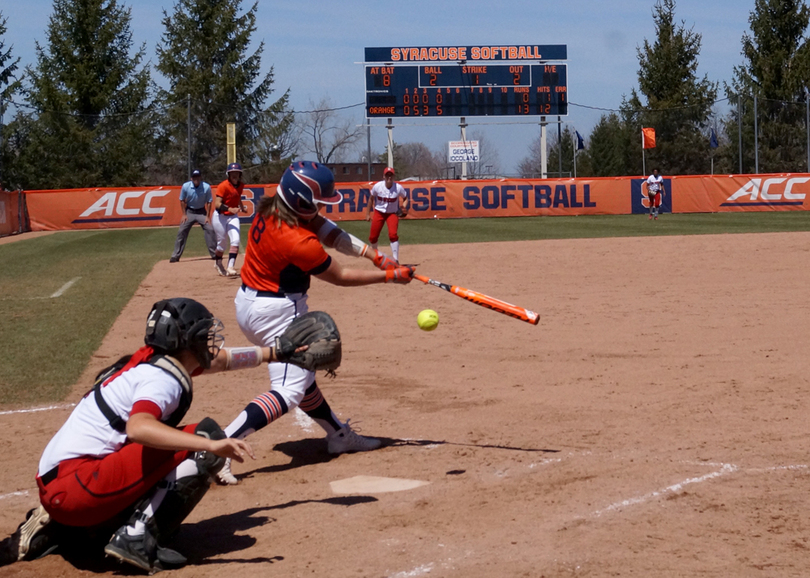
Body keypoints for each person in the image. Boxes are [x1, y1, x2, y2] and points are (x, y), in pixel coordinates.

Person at [0, 297, 324, 572]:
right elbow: (139, 427)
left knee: (170, 443)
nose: (210, 341)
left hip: (62, 485)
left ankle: (66, 531)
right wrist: (209, 443)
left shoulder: (149, 361)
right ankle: (136, 538)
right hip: (78, 487)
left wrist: (275, 353)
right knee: (201, 440)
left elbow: (222, 361)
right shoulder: (162, 381)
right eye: (203, 335)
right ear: (186, 342)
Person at [215, 160, 415, 485]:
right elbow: (340, 276)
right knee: (289, 390)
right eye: (317, 202)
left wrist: (374, 254)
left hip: (249, 304)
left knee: (303, 377)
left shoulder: (273, 207)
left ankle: (338, 435)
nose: (320, 208)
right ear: (301, 201)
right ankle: (218, 447)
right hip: (279, 312)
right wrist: (388, 276)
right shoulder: (296, 240)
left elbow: (329, 230)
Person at [169, 169, 217, 263]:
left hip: (201, 212)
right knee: (182, 230)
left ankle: (214, 254)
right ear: (191, 178)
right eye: (194, 177)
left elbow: (209, 202)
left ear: (200, 177)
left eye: (198, 177)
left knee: (210, 229)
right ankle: (175, 256)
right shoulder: (186, 186)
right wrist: (184, 214)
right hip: (189, 211)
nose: (196, 179)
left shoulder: (206, 187)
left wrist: (207, 216)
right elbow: (182, 200)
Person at [366, 167, 409, 264]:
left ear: (393, 176)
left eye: (391, 175)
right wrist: (368, 213)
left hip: (392, 214)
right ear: (383, 176)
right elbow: (371, 199)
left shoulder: (398, 187)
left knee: (393, 235)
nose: (389, 177)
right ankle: (375, 255)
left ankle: (395, 259)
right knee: (373, 237)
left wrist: (403, 207)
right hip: (379, 212)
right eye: (387, 175)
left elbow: (406, 198)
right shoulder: (378, 186)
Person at [213, 162, 248, 277]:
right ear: (228, 174)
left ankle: (231, 266)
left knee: (235, 240)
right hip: (220, 217)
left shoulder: (241, 185)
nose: (234, 175)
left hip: (233, 217)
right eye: (232, 173)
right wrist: (229, 208)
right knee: (221, 246)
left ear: (240, 174)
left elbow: (237, 197)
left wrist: (242, 208)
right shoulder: (223, 186)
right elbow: (217, 204)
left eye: (236, 173)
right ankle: (218, 263)